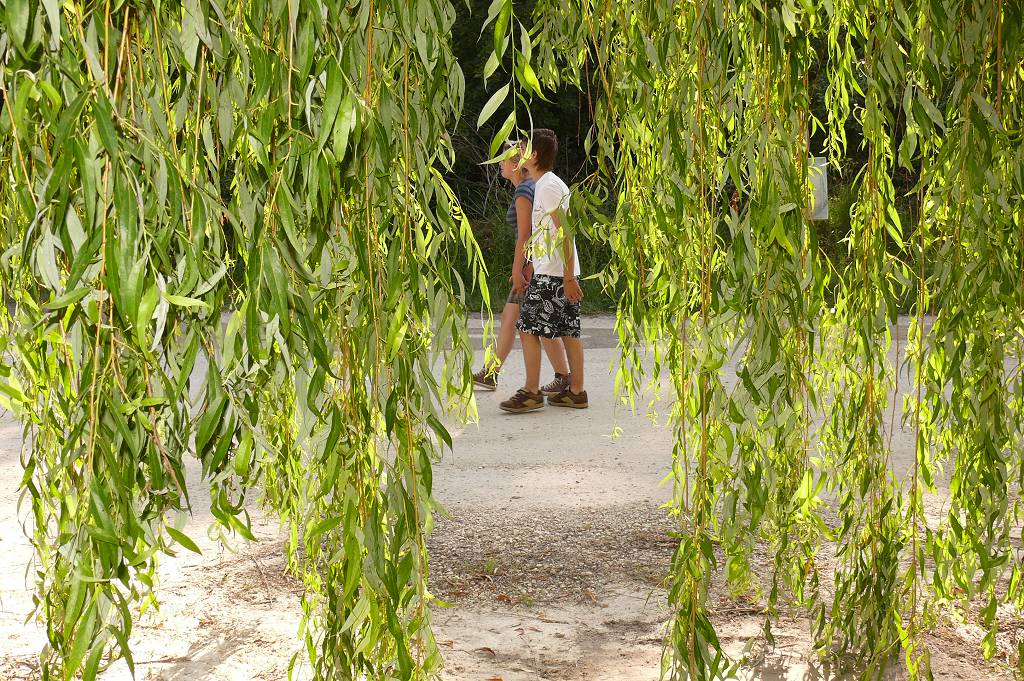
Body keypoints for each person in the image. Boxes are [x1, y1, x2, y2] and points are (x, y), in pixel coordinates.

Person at [472, 143, 572, 395]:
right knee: (514, 319)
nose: (500, 165)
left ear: (516, 164)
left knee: (534, 326)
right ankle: (492, 373)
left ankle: (559, 378)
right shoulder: (528, 187)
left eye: (503, 160)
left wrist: (521, 269)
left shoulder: (525, 191)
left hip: (533, 267)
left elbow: (526, 236)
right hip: (534, 264)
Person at [500, 129, 587, 413]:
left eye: (524, 148)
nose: (519, 151)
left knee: (527, 329)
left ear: (534, 155)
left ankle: (531, 392)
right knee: (568, 331)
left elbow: (565, 233)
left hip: (554, 274)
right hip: (557, 271)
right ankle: (576, 392)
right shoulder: (546, 184)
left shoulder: (547, 186)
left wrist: (568, 277)